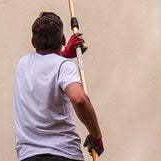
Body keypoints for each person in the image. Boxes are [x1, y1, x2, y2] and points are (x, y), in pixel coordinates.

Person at [13, 11, 104, 161]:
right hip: (63, 153)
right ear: (63, 39)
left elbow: (46, 65)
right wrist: (96, 136)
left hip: (28, 156)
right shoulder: (64, 66)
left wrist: (64, 54)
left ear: (33, 42)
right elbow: (79, 99)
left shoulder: (22, 64)